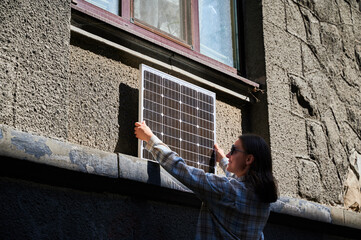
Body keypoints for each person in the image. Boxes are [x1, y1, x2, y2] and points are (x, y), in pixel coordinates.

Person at [134, 121, 278, 240]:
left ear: (248, 159)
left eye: (233, 150)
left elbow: (182, 169)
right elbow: (236, 187)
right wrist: (223, 160)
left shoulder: (226, 190)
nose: (229, 154)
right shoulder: (263, 201)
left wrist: (150, 138)